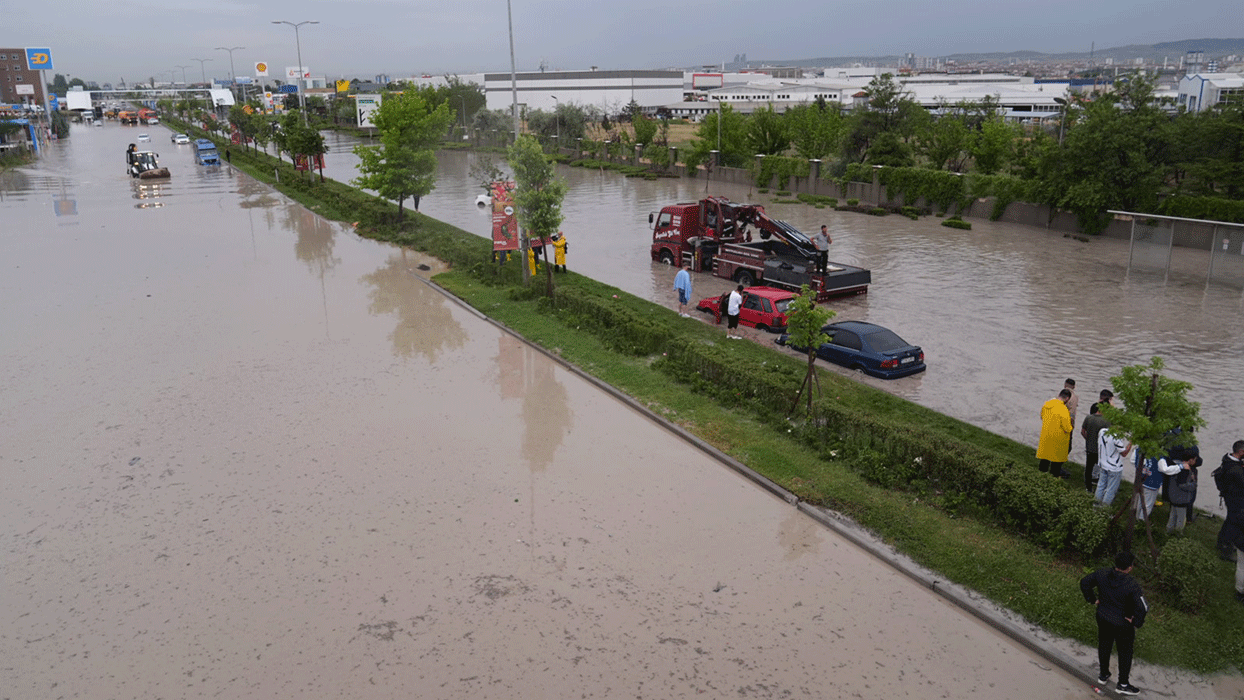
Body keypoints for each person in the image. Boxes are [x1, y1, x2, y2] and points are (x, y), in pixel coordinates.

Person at [1080, 551, 1147, 696]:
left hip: (1103, 617)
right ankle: (1122, 684)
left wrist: (1092, 599)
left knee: (1104, 644)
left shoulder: (1102, 573)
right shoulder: (1132, 585)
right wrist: (1136, 622)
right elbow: (1143, 607)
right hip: (1123, 624)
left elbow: (1084, 582)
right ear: (1130, 567)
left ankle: (1103, 675)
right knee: (1125, 652)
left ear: (1116, 563)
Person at [1216, 440, 1244, 561]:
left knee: (1230, 520)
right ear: (1241, 452)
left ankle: (1221, 542)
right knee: (1234, 523)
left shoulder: (1227, 460)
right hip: (1235, 499)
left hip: (1230, 497)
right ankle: (1226, 549)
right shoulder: (1235, 469)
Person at [1036, 389, 1073, 478]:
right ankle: (1053, 480)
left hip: (1046, 436)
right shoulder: (1064, 410)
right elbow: (1067, 428)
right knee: (1055, 464)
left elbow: (1042, 416)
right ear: (1067, 398)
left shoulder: (1046, 404)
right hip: (1057, 440)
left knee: (1044, 461)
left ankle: (1040, 477)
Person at [1164, 446, 1200, 534]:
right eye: (1195, 459)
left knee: (1172, 516)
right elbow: (1183, 485)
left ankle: (1168, 532)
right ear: (1190, 460)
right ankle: (1178, 535)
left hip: (1173, 496)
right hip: (1181, 499)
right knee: (1181, 518)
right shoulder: (1185, 470)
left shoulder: (1176, 465)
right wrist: (1194, 483)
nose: (1195, 462)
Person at [1096, 428, 1133, 506]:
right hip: (1114, 468)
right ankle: (1104, 508)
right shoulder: (1116, 437)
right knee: (1110, 490)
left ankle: (1096, 505)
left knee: (1100, 486)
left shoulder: (1102, 431)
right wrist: (1131, 442)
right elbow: (1124, 453)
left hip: (1103, 464)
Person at [1081, 399, 1111, 493]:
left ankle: (1088, 488)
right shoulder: (1107, 421)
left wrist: (1088, 439)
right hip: (1101, 450)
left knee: (1088, 468)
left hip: (1090, 448)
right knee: (1102, 470)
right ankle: (1100, 488)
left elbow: (1083, 431)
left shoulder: (1088, 418)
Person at [1063, 379, 1079, 456]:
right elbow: (1072, 413)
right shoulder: (1075, 397)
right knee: (1067, 446)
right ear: (1074, 387)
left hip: (1058, 421)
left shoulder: (1060, 394)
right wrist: (1071, 426)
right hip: (1068, 423)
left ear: (1065, 385)